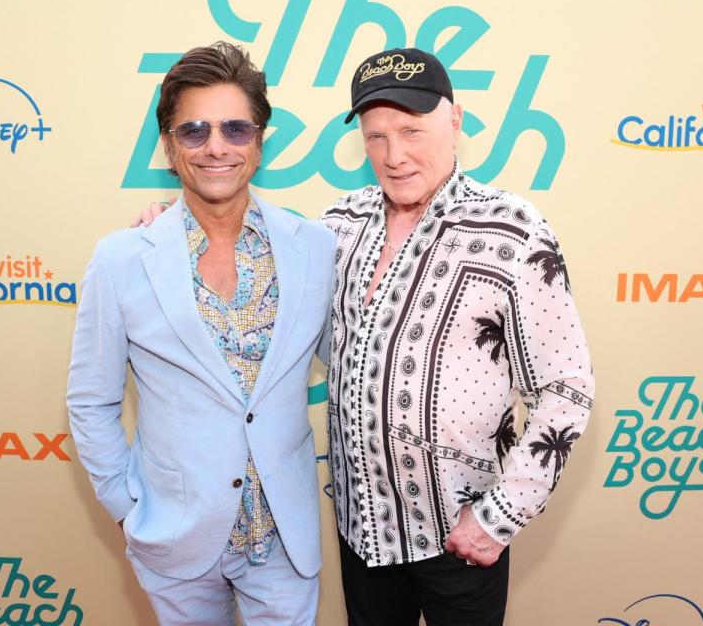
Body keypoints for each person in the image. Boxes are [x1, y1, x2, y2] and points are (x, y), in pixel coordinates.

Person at [135, 47, 594, 626]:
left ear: (454, 121)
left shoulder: (515, 231)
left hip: (461, 531)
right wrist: (169, 229)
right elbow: (253, 266)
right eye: (376, 137)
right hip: (365, 533)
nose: (394, 155)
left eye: (411, 130)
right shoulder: (337, 228)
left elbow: (567, 387)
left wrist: (499, 516)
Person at [67, 41, 335, 626]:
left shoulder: (316, 248)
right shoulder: (121, 259)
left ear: (260, 142)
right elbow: (91, 399)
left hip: (282, 540)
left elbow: (354, 362)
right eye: (194, 131)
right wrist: (125, 509)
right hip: (175, 537)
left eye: (236, 129)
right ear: (168, 146)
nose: (217, 147)